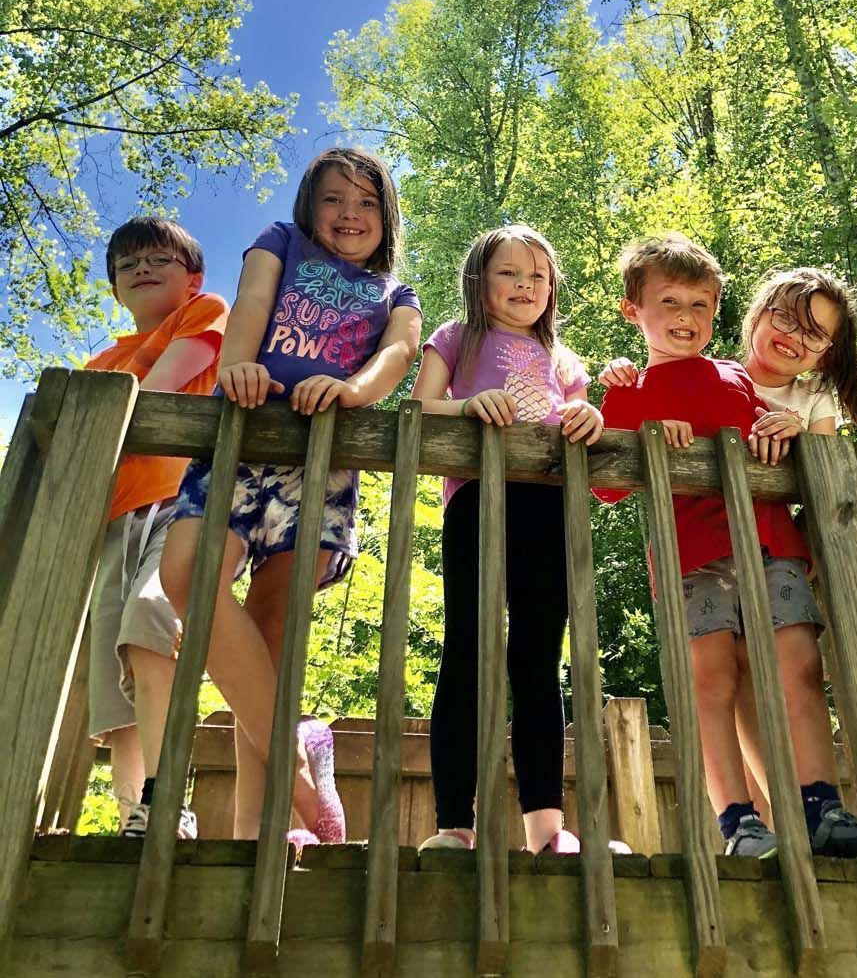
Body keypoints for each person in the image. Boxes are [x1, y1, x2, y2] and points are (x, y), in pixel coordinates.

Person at [160, 148, 421, 844]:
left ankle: (258, 831)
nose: (348, 214)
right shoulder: (280, 241)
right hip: (244, 438)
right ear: (311, 207)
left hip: (322, 462)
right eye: (333, 199)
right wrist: (240, 365)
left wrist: (354, 391)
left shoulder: (395, 293)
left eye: (366, 202)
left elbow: (397, 354)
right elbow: (251, 299)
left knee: (272, 632)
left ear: (385, 216)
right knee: (186, 571)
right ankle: (299, 769)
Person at [595, 235, 857, 858]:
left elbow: (760, 440)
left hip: (771, 542)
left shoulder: (735, 378)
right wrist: (642, 434)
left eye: (700, 306)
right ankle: (738, 819)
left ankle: (819, 801)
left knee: (799, 666)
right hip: (690, 555)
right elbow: (608, 489)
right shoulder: (632, 390)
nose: (686, 318)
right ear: (632, 311)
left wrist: (784, 429)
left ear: (717, 312)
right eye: (670, 303)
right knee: (710, 683)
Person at [411, 225, 610, 855]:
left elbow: (580, 413)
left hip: (547, 507)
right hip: (476, 501)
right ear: (479, 281)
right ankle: (454, 824)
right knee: (468, 651)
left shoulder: (562, 357)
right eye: (509, 273)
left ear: (552, 288)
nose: (526, 285)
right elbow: (419, 407)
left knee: (537, 657)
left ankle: (546, 830)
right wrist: (469, 406)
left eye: (538, 276)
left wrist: (590, 414)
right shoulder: (458, 338)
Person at [86, 217, 228, 837]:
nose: (141, 269)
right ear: (115, 290)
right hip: (112, 520)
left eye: (158, 259)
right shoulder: (100, 360)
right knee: (114, 673)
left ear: (191, 277)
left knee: (151, 620)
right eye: (127, 265)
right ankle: (134, 818)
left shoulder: (202, 312)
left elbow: (151, 394)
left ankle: (166, 795)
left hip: (180, 503)